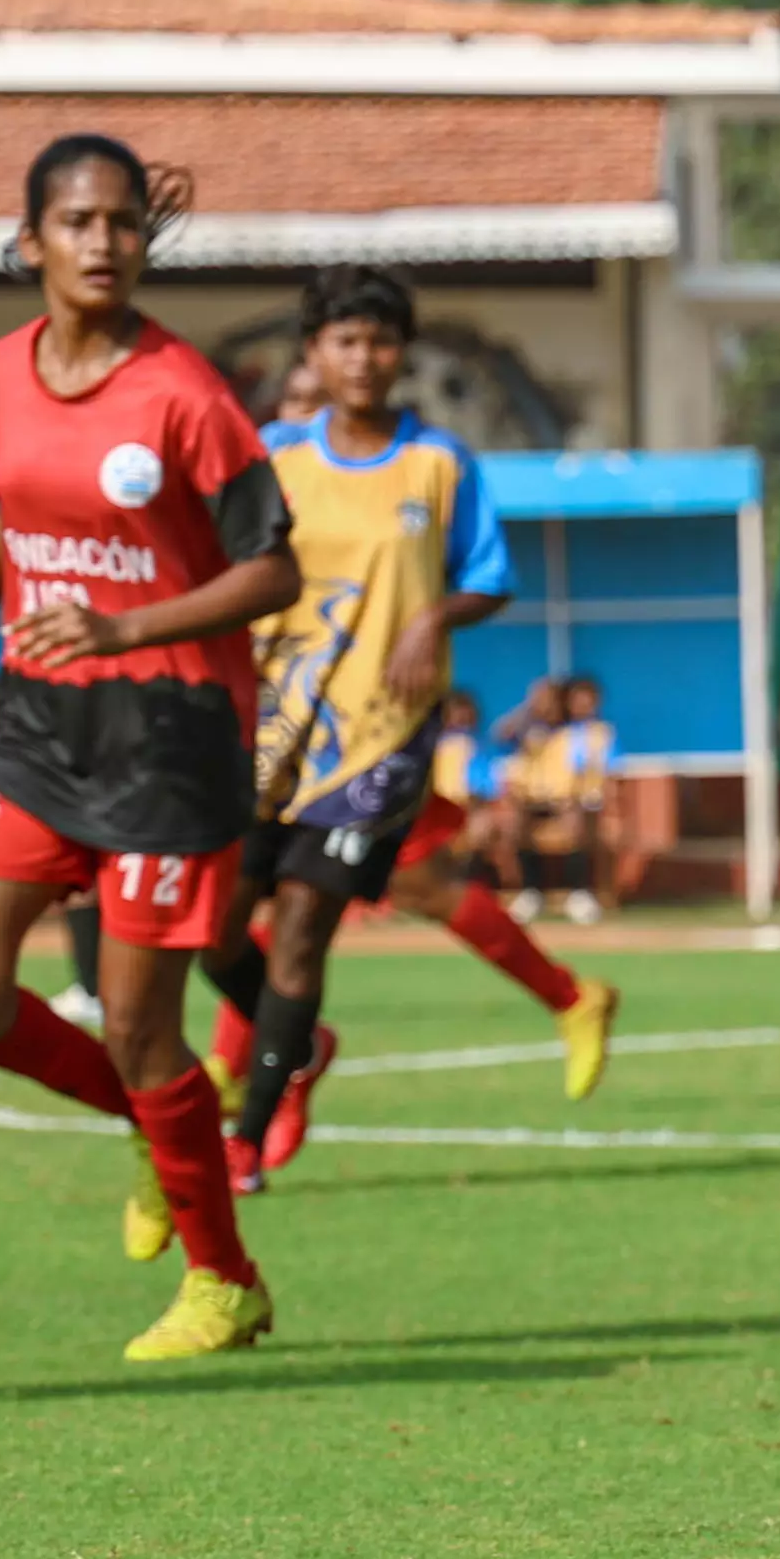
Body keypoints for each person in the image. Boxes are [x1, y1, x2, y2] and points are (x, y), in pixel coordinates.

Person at [0, 133, 303, 1359]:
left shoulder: (186, 393)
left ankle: (225, 1281)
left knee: (139, 1026)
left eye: (124, 222)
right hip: (34, 723)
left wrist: (124, 626)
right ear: (32, 244)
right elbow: (13, 517)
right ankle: (155, 1117)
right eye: (78, 222)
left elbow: (274, 569)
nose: (103, 242)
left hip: (170, 739)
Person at [195, 269, 618, 1178]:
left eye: (381, 341)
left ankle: (247, 1136)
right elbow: (225, 573)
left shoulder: (440, 463)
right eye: (344, 341)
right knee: (217, 930)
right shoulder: (274, 459)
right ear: (312, 352)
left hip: (381, 738)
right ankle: (294, 1046)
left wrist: (432, 618)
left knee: (305, 926)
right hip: (274, 732)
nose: (364, 359)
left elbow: (489, 574)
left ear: (403, 353)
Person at [502, 676, 622, 920]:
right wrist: (530, 706)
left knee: (573, 820)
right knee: (515, 825)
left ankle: (578, 893)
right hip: (537, 801)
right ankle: (530, 892)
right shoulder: (539, 733)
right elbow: (502, 734)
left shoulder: (594, 733)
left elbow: (605, 774)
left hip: (575, 802)